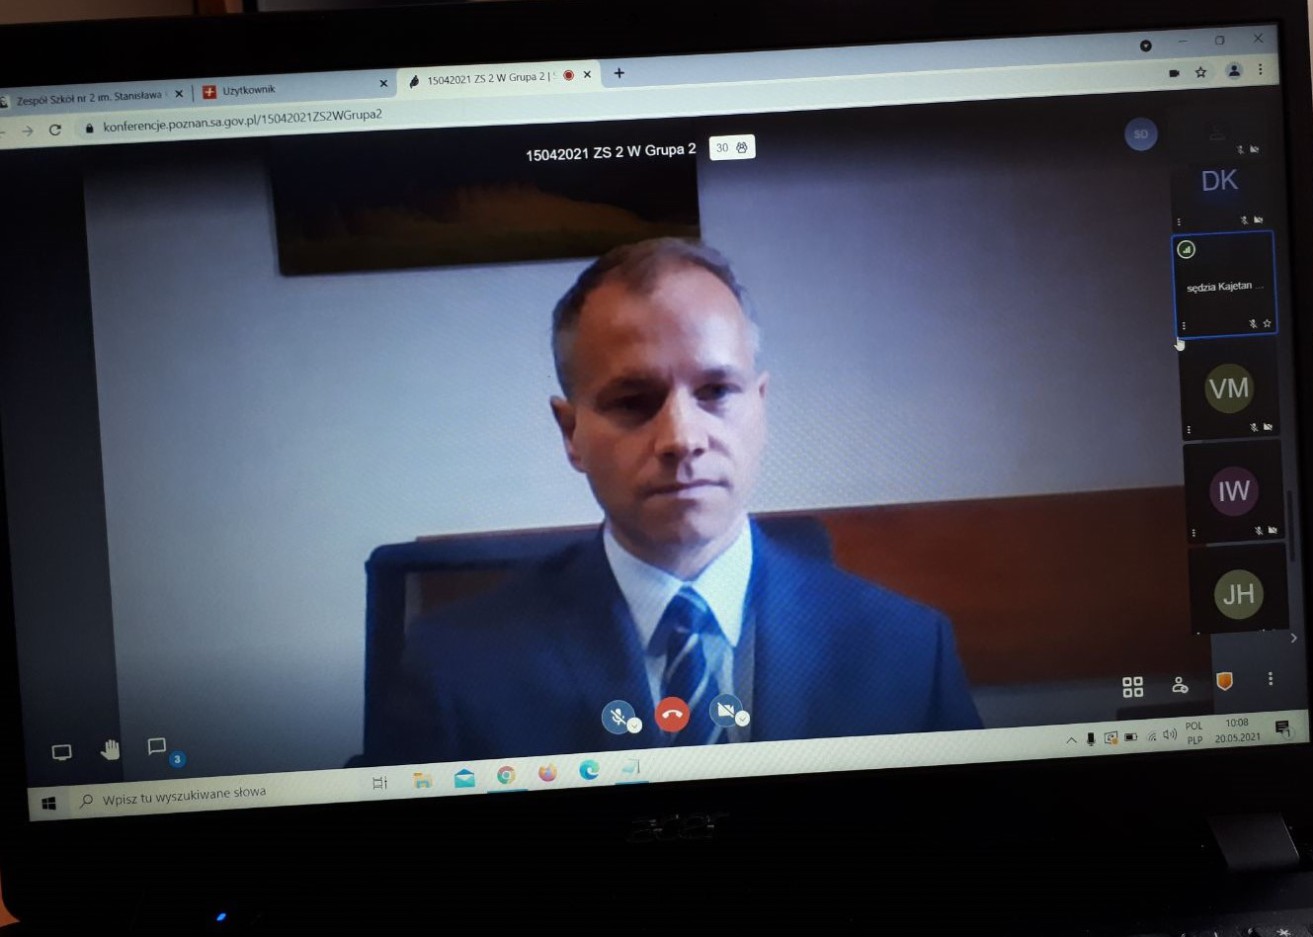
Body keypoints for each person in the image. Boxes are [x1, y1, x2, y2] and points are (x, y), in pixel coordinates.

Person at [369, 238, 980, 765]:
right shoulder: (456, 667)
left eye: (716, 391)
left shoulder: (908, 650)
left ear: (760, 407)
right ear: (571, 433)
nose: (683, 439)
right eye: (634, 402)